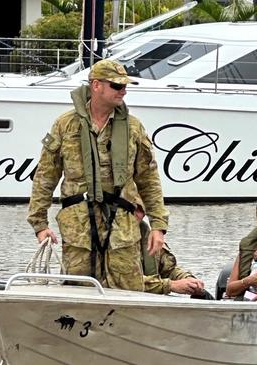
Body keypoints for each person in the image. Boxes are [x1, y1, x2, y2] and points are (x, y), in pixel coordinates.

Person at [27, 59, 169, 291]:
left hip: (122, 228)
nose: (123, 91)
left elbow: (149, 179)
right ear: (96, 85)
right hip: (78, 229)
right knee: (76, 292)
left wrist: (158, 225)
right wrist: (39, 224)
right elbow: (45, 176)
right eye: (116, 85)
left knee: (129, 290)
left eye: (125, 86)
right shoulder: (65, 125)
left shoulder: (133, 128)